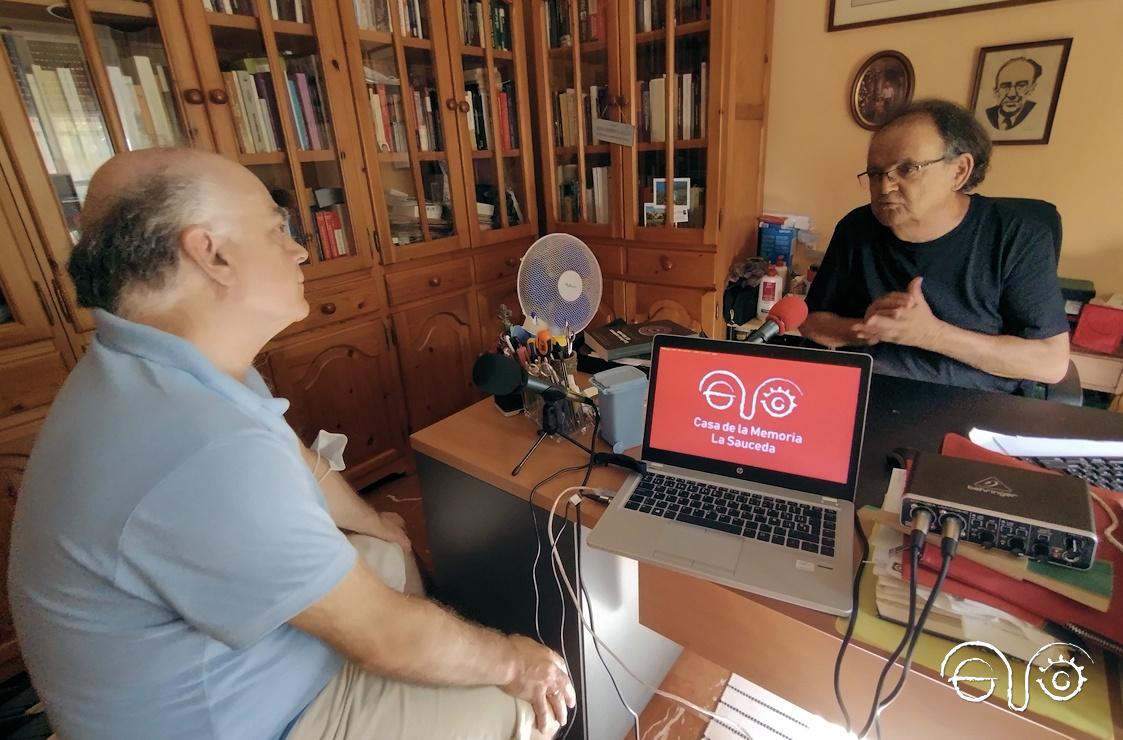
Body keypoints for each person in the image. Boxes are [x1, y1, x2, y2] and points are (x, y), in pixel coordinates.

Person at [8, 148, 575, 740]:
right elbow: (383, 634)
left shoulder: (165, 364)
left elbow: (293, 454)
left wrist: (371, 522)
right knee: (521, 704)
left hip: (225, 665)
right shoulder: (200, 445)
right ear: (213, 253)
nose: (300, 249)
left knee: (385, 551)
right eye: (277, 228)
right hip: (231, 718)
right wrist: (516, 659)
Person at [802, 99, 1069, 393]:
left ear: (959, 171)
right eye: (876, 174)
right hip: (867, 393)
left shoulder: (1017, 235)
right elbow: (812, 323)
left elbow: (1051, 363)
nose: (885, 187)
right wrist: (864, 330)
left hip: (969, 404)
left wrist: (931, 335)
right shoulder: (856, 229)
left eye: (907, 169)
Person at [985, 57, 1041, 131]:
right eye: (1005, 86)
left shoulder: (1037, 116)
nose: (1012, 94)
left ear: (1032, 89)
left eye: (1021, 85)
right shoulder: (987, 115)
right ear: (996, 91)